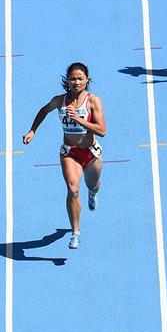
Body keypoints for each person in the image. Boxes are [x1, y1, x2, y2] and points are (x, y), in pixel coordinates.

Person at [22, 63, 106, 249]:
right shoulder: (59, 101)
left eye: (80, 79)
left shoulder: (93, 101)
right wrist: (32, 130)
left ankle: (93, 192)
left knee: (92, 184)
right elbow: (43, 110)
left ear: (87, 80)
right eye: (73, 79)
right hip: (70, 152)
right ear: (67, 80)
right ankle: (75, 232)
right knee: (73, 189)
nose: (76, 82)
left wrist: (79, 120)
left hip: (91, 152)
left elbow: (102, 131)